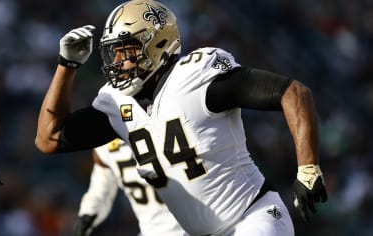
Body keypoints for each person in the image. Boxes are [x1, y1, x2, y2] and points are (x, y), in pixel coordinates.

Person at [35, 0, 328, 235]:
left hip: (254, 217)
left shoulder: (196, 76)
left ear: (159, 44)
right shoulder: (116, 103)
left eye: (128, 52)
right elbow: (48, 139)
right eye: (115, 54)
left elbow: (293, 92)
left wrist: (308, 168)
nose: (119, 63)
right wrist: (66, 65)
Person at [73, 138, 184, 236]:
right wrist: (88, 212)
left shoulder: (163, 128)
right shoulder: (105, 147)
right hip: (149, 231)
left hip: (189, 227)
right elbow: (100, 191)